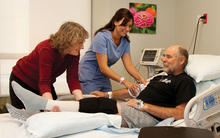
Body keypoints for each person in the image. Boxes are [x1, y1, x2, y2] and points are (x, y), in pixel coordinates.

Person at [7, 45, 196, 128]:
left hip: (148, 117)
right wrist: (107, 94)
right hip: (133, 108)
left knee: (102, 107)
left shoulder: (185, 82)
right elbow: (133, 91)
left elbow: (180, 113)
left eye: (168, 57)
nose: (163, 59)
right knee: (93, 100)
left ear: (182, 60)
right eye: (163, 55)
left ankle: (42, 109)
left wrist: (142, 106)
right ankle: (35, 115)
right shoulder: (157, 78)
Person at [9, 21, 89, 109]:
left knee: (55, 110)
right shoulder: (46, 49)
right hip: (22, 80)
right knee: (25, 115)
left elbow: (73, 79)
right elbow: (44, 82)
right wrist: (50, 107)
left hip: (44, 83)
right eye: (80, 43)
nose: (82, 47)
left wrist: (83, 104)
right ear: (68, 41)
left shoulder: (74, 53)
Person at [79, 8, 146, 94]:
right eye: (124, 25)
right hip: (89, 75)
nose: (127, 29)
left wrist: (141, 79)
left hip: (104, 76)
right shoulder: (101, 37)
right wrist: (125, 81)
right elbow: (103, 67)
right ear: (115, 22)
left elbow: (129, 65)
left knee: (108, 102)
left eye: (129, 26)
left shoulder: (125, 42)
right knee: (92, 104)